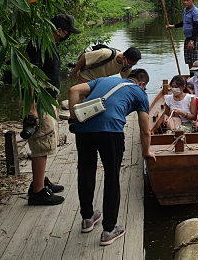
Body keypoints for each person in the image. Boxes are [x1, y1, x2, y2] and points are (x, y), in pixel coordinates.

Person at [68, 69, 155, 246]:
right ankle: (109, 229)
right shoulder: (140, 93)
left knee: (85, 171)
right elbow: (145, 130)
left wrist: (72, 120)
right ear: (142, 84)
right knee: (112, 176)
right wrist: (146, 152)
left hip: (84, 128)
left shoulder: (102, 81)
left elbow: (73, 91)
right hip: (111, 131)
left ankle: (87, 219)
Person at [24, 13, 81, 205]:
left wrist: (54, 103)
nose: (67, 37)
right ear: (59, 30)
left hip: (48, 100)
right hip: (39, 101)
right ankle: (38, 191)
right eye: (67, 33)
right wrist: (33, 109)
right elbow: (31, 77)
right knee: (41, 143)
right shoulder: (37, 45)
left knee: (47, 141)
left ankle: (39, 182)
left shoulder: (49, 44)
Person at [166, 0, 198, 73]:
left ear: (192, 1)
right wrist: (173, 26)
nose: (185, 2)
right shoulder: (185, 10)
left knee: (196, 60)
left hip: (196, 37)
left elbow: (196, 26)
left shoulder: (195, 12)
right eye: (184, 0)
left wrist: (192, 41)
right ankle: (191, 77)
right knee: (189, 59)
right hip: (188, 37)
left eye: (187, 0)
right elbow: (185, 22)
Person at [70, 46, 141, 83]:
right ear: (124, 57)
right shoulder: (105, 54)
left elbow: (129, 80)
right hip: (87, 76)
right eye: (130, 63)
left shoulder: (125, 67)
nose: (130, 66)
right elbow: (84, 57)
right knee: (82, 99)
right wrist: (75, 72)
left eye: (132, 65)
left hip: (99, 81)